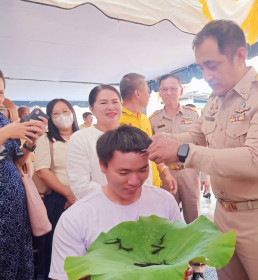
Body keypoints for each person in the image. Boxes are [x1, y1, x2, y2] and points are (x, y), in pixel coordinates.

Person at [148, 20, 258, 280]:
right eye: (202, 66)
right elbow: (196, 135)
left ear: (240, 55)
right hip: (224, 214)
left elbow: (255, 159)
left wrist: (182, 152)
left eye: (212, 65)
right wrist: (158, 140)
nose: (206, 75)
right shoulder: (216, 100)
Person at [49, 125, 181, 280]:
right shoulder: (75, 218)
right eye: (123, 173)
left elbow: (180, 254)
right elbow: (63, 276)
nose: (134, 181)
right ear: (103, 166)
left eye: (142, 170)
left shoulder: (164, 201)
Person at [0, 69, 46, 280]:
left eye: (1, 92)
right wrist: (7, 132)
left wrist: (30, 143)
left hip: (13, 205)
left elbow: (16, 160)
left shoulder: (3, 120)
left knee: (16, 260)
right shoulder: (5, 126)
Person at [150, 74, 210, 223]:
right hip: (166, 174)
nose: (168, 93)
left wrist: (205, 176)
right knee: (167, 219)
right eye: (164, 89)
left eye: (173, 89)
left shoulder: (193, 115)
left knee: (194, 218)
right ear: (160, 93)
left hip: (190, 172)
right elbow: (152, 149)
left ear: (181, 91)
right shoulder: (153, 119)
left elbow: (203, 144)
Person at [33, 99, 79, 279]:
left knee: (80, 247)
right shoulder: (46, 139)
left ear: (73, 113)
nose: (62, 116)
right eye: (56, 113)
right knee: (52, 248)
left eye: (66, 111)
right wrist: (69, 194)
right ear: (50, 118)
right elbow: (42, 171)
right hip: (58, 200)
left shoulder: (83, 136)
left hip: (85, 197)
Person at [118, 73, 176, 193]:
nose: (149, 95)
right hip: (133, 189)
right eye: (147, 91)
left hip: (154, 184)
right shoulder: (117, 120)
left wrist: (165, 172)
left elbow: (151, 150)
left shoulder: (144, 119)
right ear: (138, 93)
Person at [66, 84, 122, 200]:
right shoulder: (80, 138)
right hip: (95, 207)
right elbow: (81, 186)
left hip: (133, 206)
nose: (111, 107)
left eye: (115, 102)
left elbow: (145, 174)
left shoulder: (133, 135)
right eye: (103, 103)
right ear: (91, 109)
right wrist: (119, 196)